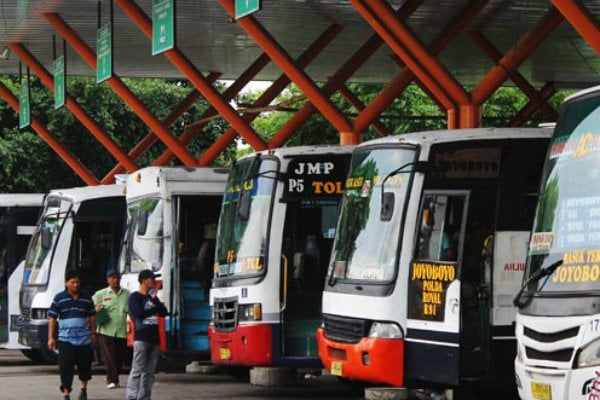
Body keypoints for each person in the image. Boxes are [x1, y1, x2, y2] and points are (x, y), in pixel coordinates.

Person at [47, 269, 96, 400]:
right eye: (73, 282)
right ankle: (66, 394)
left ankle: (83, 389)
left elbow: (91, 317)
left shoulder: (86, 297)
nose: (75, 285)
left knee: (85, 366)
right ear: (66, 283)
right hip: (65, 340)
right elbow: (52, 318)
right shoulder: (59, 298)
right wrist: (51, 338)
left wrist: (93, 334)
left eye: (78, 282)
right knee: (65, 368)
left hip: (84, 339)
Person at [127, 269, 168, 400]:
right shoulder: (135, 297)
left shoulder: (152, 298)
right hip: (142, 337)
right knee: (137, 370)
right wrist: (153, 309)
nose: (154, 282)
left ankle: (145, 397)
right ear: (144, 280)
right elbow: (138, 313)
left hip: (154, 339)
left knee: (149, 372)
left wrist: (154, 300)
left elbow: (163, 312)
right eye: (152, 279)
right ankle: (132, 396)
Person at [92, 267, 129, 389]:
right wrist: (96, 310)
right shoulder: (100, 294)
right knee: (109, 356)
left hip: (121, 331)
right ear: (108, 280)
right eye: (113, 278)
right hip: (106, 330)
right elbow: (90, 309)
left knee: (120, 356)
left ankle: (113, 375)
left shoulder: (126, 294)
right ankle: (111, 380)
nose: (116, 280)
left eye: (118, 278)